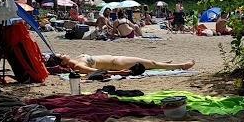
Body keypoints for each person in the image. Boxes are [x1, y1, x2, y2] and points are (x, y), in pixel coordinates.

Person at [46, 53, 195, 75]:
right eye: (61, 55)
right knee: (151, 63)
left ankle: (160, 64)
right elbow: (96, 72)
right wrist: (119, 73)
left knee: (150, 63)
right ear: (63, 62)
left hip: (116, 59)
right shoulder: (78, 66)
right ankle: (181, 65)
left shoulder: (76, 59)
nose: (63, 53)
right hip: (117, 63)